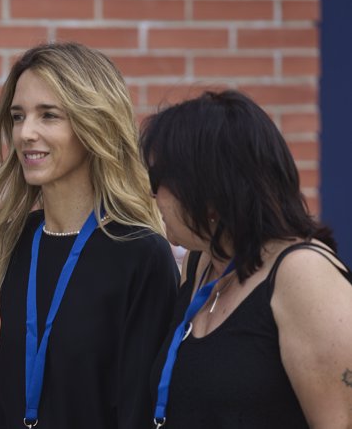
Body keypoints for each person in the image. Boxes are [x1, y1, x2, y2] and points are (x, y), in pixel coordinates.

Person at [0, 41, 178, 429]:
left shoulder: (141, 254)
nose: (25, 133)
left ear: (92, 124)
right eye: (17, 116)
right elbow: (12, 396)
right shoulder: (22, 239)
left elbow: (138, 412)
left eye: (48, 116)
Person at [141, 89, 352, 428]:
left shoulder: (302, 274)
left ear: (207, 189)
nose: (151, 195)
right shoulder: (198, 267)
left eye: (157, 180)